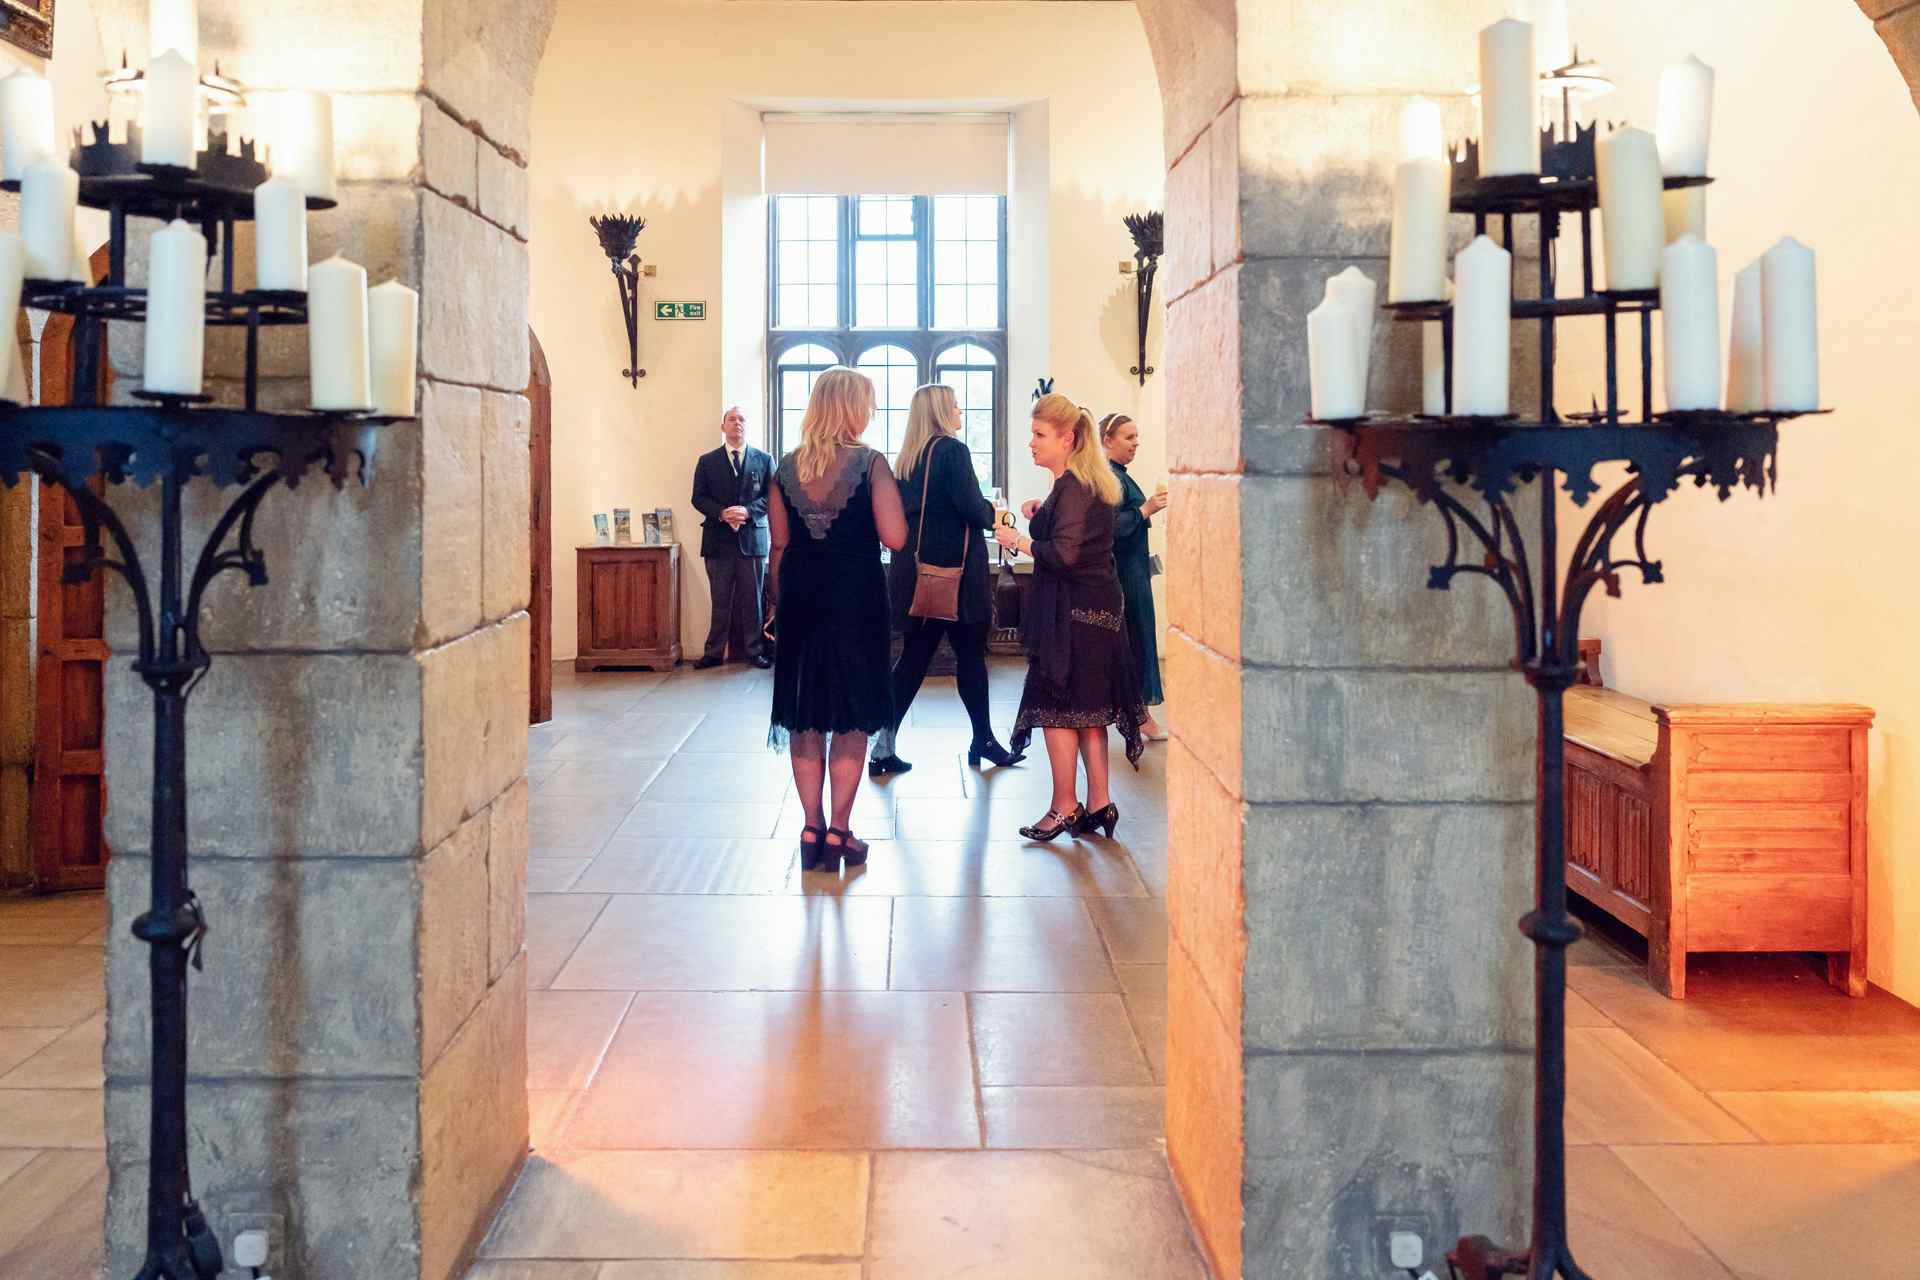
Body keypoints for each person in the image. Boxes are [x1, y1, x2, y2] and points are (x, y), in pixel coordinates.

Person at [767, 367, 908, 873]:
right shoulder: (870, 464)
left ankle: (809, 826)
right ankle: (839, 832)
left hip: (802, 594)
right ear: (853, 408)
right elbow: (894, 538)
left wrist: (779, 603)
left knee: (807, 711)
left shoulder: (785, 467)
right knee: (851, 712)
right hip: (855, 596)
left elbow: (779, 544)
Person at [995, 393, 1146, 842]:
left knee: (1059, 710)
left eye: (1040, 435)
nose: (1032, 443)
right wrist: (1041, 514)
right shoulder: (1076, 484)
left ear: (1069, 438)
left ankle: (1065, 807)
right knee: (1088, 712)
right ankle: (1100, 803)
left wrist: (1019, 540)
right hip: (1091, 611)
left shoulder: (1076, 487)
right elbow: (1072, 534)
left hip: (1075, 616)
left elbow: (1065, 554)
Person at [869, 384, 1025, 778]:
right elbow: (972, 507)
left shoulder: (906, 459)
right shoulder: (952, 451)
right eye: (955, 404)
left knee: (912, 661)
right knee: (971, 656)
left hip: (917, 574)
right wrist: (998, 514)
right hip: (954, 577)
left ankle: (883, 744)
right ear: (940, 411)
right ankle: (983, 740)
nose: (960, 410)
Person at [1100, 413, 1169, 741]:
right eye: (1129, 437)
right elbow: (1110, 529)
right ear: (1107, 440)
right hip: (1125, 575)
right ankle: (1141, 717)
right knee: (1136, 643)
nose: (1136, 443)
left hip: (1135, 571)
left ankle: (1138, 714)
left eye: (1137, 437)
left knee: (1138, 642)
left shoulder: (1119, 476)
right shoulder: (1109, 478)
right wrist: (1146, 509)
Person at [691, 406, 774, 669]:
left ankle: (755, 651)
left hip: (752, 541)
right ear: (723, 426)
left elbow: (773, 497)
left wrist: (748, 511)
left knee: (753, 601)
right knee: (720, 600)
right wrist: (722, 513)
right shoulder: (707, 461)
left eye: (742, 419)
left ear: (746, 426)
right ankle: (713, 652)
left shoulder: (764, 459)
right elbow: (698, 497)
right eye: (732, 419)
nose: (737, 423)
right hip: (718, 541)